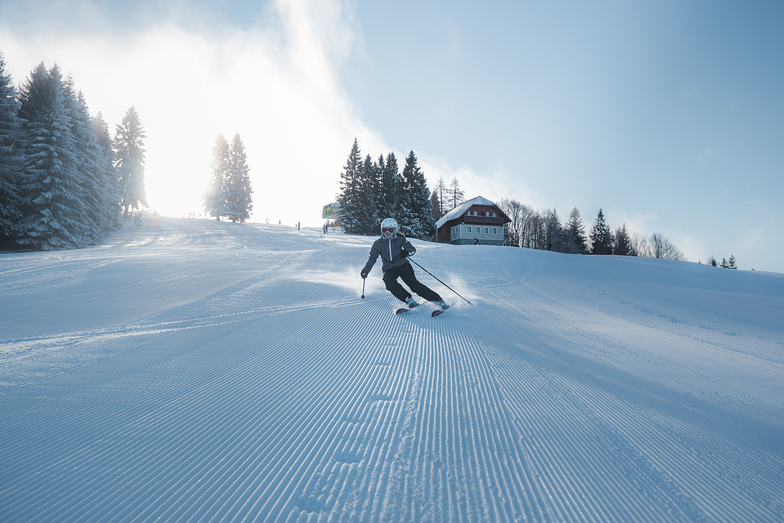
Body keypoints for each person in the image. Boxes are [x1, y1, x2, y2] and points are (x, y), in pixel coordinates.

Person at [361, 218, 448, 310]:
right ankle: (409, 300)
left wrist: (406, 252)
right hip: (389, 268)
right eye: (384, 230)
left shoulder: (400, 240)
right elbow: (372, 258)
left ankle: (438, 300)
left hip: (402, 265)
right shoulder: (378, 244)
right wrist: (366, 270)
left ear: (394, 230)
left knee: (414, 285)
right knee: (389, 283)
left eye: (390, 230)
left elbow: (412, 250)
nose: (387, 232)